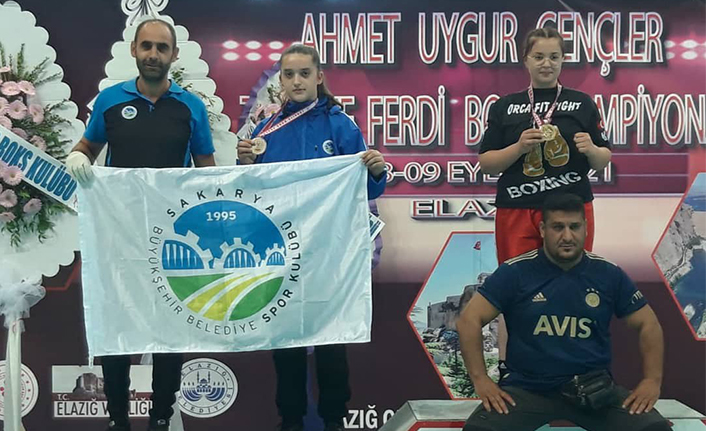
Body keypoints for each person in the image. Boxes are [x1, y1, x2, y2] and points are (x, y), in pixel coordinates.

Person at [66, 19, 215, 431]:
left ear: (173, 55)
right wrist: (78, 157)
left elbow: (207, 172)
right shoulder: (110, 101)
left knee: (169, 329)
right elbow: (87, 146)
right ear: (133, 49)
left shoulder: (191, 107)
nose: (153, 54)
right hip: (119, 237)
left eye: (162, 48)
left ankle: (161, 417)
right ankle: (118, 419)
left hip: (173, 241)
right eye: (146, 46)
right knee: (118, 325)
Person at [237, 43, 386, 431]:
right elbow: (250, 194)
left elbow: (365, 190)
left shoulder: (340, 125)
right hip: (280, 252)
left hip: (328, 253)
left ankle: (334, 420)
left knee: (331, 340)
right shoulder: (265, 128)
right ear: (281, 81)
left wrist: (375, 170)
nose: (297, 81)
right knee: (286, 340)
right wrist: (245, 163)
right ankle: (290, 420)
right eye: (289, 74)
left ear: (319, 77)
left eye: (305, 73)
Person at [457, 193, 670, 431]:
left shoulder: (608, 274)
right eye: (558, 227)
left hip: (593, 390)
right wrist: (481, 379)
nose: (567, 236)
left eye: (574, 227)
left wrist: (652, 380)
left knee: (655, 429)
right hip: (527, 389)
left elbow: (648, 324)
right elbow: (469, 320)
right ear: (542, 229)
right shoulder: (515, 271)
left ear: (585, 228)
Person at [478, 27, 613, 370]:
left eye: (554, 56)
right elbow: (487, 163)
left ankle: (574, 364)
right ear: (526, 60)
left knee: (574, 282)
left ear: (563, 60)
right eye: (538, 56)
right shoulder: (505, 106)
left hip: (570, 210)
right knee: (515, 287)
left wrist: (591, 149)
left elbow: (603, 159)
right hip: (518, 207)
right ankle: (513, 365)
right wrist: (518, 148)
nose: (546, 63)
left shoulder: (582, 103)